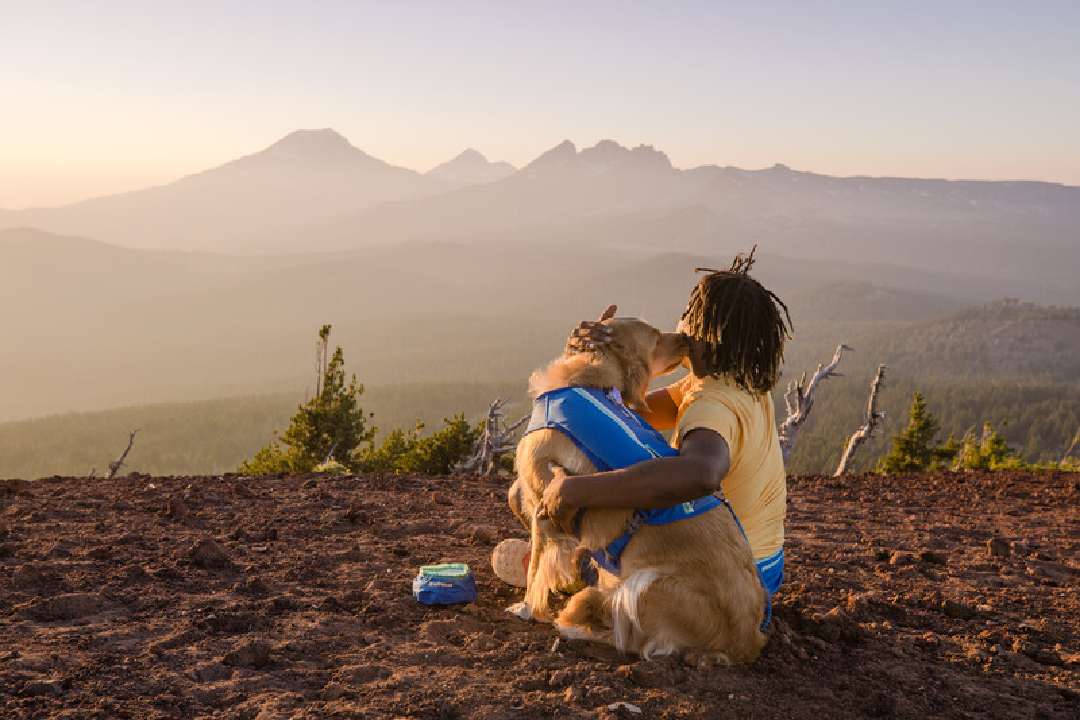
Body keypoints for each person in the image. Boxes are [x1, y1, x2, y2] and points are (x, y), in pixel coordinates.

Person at [493, 248, 790, 597]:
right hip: (761, 568)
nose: (681, 330)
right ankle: (574, 563)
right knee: (529, 494)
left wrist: (575, 491)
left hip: (723, 578)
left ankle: (580, 572)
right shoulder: (735, 382)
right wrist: (602, 357)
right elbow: (623, 413)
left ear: (711, 340)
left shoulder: (712, 406)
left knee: (533, 494)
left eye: (691, 320)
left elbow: (701, 473)